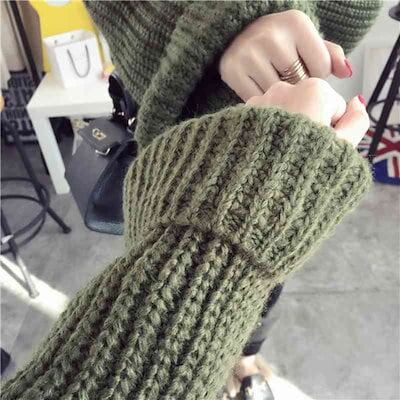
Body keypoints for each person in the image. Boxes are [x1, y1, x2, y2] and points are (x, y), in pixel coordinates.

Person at [2, 2, 381, 400]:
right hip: (180, 101)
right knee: (197, 250)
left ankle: (243, 357)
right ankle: (229, 358)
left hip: (293, 97)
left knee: (266, 275)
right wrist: (217, 19)